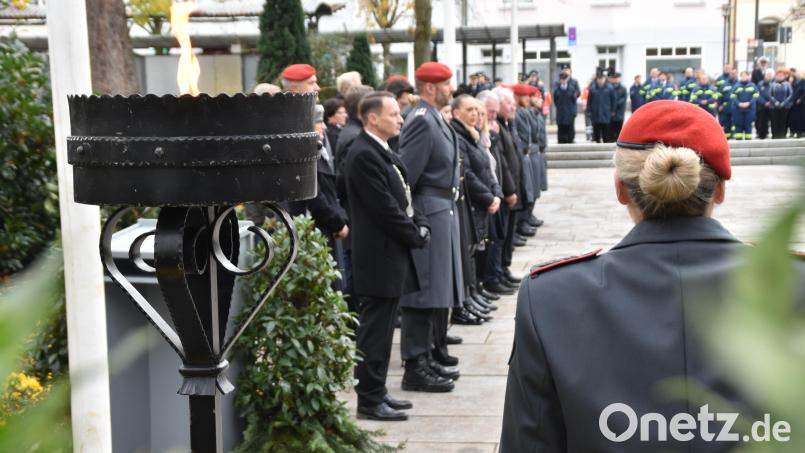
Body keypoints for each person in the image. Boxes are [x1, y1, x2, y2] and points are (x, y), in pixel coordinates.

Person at [500, 100, 801, 452]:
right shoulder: (796, 283)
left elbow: (529, 442)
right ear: (720, 190)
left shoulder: (552, 296)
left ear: (621, 188)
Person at [346, 91, 431, 421]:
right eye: (394, 114)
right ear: (372, 119)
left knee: (382, 333)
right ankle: (368, 400)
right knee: (375, 333)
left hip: (391, 255)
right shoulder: (363, 154)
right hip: (378, 257)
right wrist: (415, 235)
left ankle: (378, 391)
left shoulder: (383, 150)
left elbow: (405, 196)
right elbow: (385, 210)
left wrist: (420, 224)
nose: (400, 118)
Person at [398, 62, 463, 392]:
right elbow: (406, 175)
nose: (451, 89)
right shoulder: (422, 121)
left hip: (442, 209)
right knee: (423, 291)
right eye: (447, 85)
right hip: (427, 210)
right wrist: (414, 219)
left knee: (438, 289)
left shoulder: (435, 117)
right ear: (429, 88)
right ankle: (415, 365)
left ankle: (429, 355)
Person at [552, 66, 581, 143]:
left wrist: (574, 95)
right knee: (561, 127)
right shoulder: (557, 84)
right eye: (564, 71)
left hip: (570, 109)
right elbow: (555, 98)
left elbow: (577, 93)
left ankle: (570, 139)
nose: (565, 72)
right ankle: (562, 140)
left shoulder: (574, 82)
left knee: (570, 127)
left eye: (567, 71)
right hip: (561, 109)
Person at [587, 72, 616, 143]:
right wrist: (589, 111)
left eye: (602, 78)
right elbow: (589, 101)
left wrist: (612, 111)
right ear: (597, 79)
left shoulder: (610, 88)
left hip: (606, 114)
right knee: (596, 135)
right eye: (599, 78)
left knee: (606, 135)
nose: (600, 80)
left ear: (604, 79)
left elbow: (613, 100)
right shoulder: (593, 88)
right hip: (595, 114)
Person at [730, 70, 759, 140]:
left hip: (749, 109)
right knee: (738, 125)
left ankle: (748, 141)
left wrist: (749, 103)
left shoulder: (753, 86)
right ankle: (738, 140)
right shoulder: (736, 86)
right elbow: (732, 96)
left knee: (748, 125)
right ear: (740, 77)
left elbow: (756, 95)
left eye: (746, 75)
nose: (744, 77)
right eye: (742, 75)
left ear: (749, 76)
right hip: (738, 109)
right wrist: (738, 103)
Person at [769, 68, 793, 139]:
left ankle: (783, 135)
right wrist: (775, 102)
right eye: (778, 75)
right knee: (774, 121)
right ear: (776, 76)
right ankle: (775, 135)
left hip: (785, 106)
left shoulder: (787, 84)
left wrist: (784, 102)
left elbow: (790, 94)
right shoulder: (772, 84)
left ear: (784, 76)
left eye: (781, 75)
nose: (780, 76)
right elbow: (770, 94)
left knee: (783, 121)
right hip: (774, 106)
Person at [716, 67, 737, 139]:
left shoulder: (739, 84)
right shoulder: (724, 85)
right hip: (726, 109)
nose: (733, 75)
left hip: (736, 109)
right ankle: (726, 140)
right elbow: (719, 96)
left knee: (735, 125)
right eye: (732, 73)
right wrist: (719, 106)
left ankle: (734, 137)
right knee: (726, 125)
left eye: (734, 73)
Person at [608, 72, 627, 142]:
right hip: (611, 111)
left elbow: (623, 99)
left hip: (619, 111)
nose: (616, 80)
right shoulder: (609, 87)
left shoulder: (623, 88)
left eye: (617, 78)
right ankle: (611, 139)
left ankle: (618, 140)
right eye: (614, 78)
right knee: (611, 127)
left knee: (619, 126)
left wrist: (615, 104)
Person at [756, 68, 775, 139]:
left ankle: (774, 134)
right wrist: (764, 102)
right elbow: (757, 95)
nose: (769, 76)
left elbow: (776, 95)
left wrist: (771, 102)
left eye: (770, 75)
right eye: (768, 74)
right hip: (762, 106)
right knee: (762, 121)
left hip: (772, 105)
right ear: (765, 75)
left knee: (773, 121)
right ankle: (762, 135)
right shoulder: (760, 84)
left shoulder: (775, 84)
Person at [789, 69, 805, 138]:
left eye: (799, 73)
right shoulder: (794, 81)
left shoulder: (803, 82)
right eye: (796, 73)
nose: (797, 75)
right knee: (793, 118)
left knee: (800, 118)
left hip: (801, 104)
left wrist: (801, 99)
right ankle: (793, 131)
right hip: (793, 103)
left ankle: (800, 132)